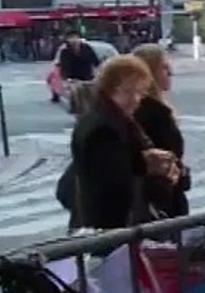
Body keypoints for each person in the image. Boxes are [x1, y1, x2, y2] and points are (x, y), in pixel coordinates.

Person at [69, 55, 178, 230]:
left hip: (110, 224)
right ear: (111, 88)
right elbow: (117, 186)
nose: (136, 100)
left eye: (141, 93)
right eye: (129, 91)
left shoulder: (107, 119)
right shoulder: (104, 128)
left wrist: (145, 160)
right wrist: (160, 180)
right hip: (113, 228)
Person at [132, 44, 190, 217]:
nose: (170, 72)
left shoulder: (156, 110)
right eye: (164, 67)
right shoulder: (151, 113)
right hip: (160, 202)